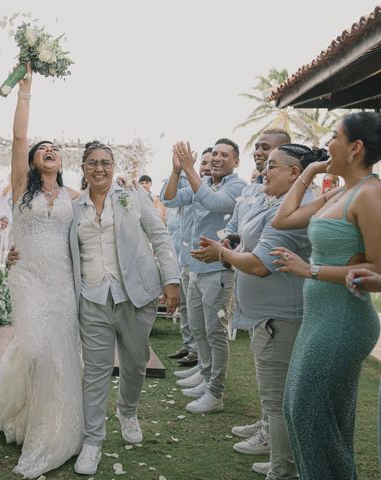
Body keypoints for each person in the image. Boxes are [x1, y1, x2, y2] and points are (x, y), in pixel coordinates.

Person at [0, 64, 83, 479]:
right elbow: (20, 137)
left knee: (57, 353)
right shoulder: (22, 186)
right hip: (28, 279)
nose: (49, 150)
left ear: (62, 159)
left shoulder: (75, 196)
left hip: (62, 283)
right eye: (43, 148)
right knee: (37, 348)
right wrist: (25, 91)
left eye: (55, 148)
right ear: (34, 159)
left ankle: (51, 426)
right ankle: (29, 419)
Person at [191, 143, 322, 479]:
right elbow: (252, 241)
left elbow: (262, 264)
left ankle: (282, 471)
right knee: (276, 398)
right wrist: (234, 243)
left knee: (277, 401)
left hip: (280, 314)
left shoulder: (294, 211)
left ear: (295, 173)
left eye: (273, 165)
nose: (265, 170)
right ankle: (283, 459)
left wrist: (222, 253)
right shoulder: (282, 201)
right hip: (268, 314)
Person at [271, 112, 381, 479]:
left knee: (309, 413)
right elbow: (283, 219)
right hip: (320, 320)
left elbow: (379, 273)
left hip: (345, 322)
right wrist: (310, 172)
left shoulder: (370, 194)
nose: (326, 143)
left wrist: (311, 270)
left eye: (334, 136)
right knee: (298, 411)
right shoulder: (343, 190)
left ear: (355, 147)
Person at [71, 141, 181, 476]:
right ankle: (92, 441)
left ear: (114, 166)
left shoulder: (133, 196)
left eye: (105, 162)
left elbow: (160, 236)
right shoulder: (73, 208)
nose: (99, 168)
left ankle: (127, 411)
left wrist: (171, 280)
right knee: (96, 371)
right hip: (92, 297)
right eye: (92, 163)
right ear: (84, 168)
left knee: (135, 363)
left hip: (136, 294)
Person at [163, 139, 247, 414]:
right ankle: (205, 374)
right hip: (195, 268)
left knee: (215, 332)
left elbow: (212, 204)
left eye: (225, 155)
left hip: (218, 271)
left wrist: (189, 169)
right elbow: (170, 198)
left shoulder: (237, 186)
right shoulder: (205, 182)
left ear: (236, 161)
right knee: (199, 328)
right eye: (215, 155)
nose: (217, 160)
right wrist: (177, 171)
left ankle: (216, 391)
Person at [224, 129, 291, 452]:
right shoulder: (262, 190)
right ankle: (265, 421)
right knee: (265, 372)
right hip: (257, 304)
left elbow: (264, 256)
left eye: (267, 150)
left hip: (277, 304)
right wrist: (232, 240)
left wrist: (224, 252)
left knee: (276, 379)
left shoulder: (288, 201)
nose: (260, 154)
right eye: (259, 148)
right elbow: (246, 231)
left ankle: (273, 436)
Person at [164, 148, 212, 370]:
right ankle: (189, 345)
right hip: (181, 256)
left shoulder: (210, 191)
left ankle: (198, 355)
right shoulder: (188, 188)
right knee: (185, 306)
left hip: (202, 260)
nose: (206, 166)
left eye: (210, 163)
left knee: (199, 313)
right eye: (203, 162)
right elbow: (168, 199)